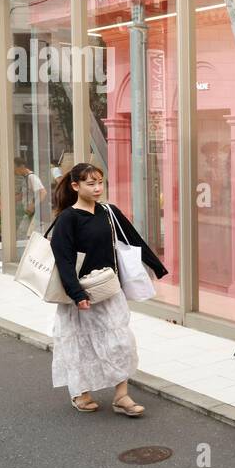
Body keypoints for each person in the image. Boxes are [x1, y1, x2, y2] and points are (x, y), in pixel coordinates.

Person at [48, 162, 167, 417]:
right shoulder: (68, 219)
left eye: (100, 182)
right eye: (91, 184)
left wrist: (156, 266)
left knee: (119, 342)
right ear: (75, 186)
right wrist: (76, 294)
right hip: (80, 293)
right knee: (80, 345)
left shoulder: (109, 212)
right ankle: (81, 392)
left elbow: (133, 239)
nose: (97, 188)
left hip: (109, 289)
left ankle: (121, 396)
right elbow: (64, 259)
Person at [15, 157, 47, 239]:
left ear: (21, 166)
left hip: (34, 213)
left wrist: (33, 205)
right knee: (23, 234)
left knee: (23, 235)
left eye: (15, 168)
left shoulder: (32, 177)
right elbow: (23, 195)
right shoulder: (25, 178)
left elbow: (43, 193)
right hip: (29, 213)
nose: (14, 171)